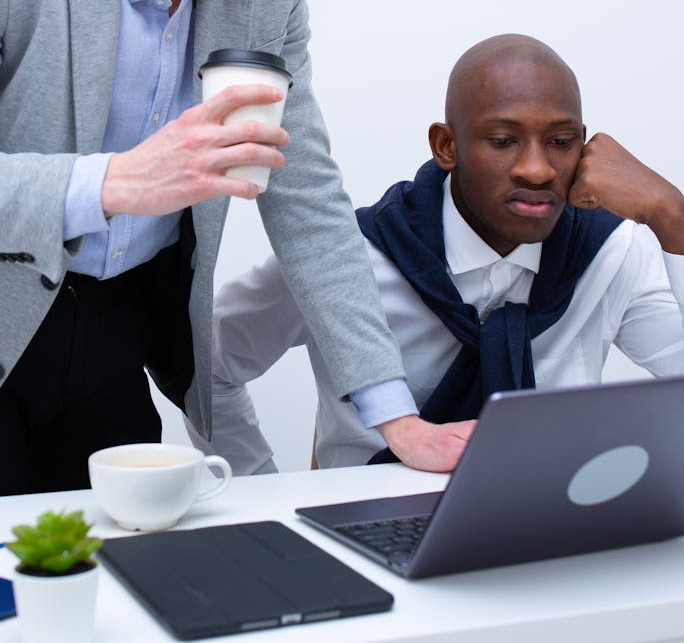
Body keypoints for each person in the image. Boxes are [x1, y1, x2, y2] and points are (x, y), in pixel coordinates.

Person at [0, 0, 459, 495]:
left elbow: (304, 193)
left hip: (114, 334)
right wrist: (109, 183)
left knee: (112, 596)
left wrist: (395, 414)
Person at [188, 34, 684, 473]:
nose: (537, 169)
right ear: (446, 146)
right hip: (365, 525)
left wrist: (673, 219)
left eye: (560, 142)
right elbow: (205, 365)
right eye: (502, 141)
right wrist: (260, 495)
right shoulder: (349, 255)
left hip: (549, 525)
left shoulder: (614, 251)